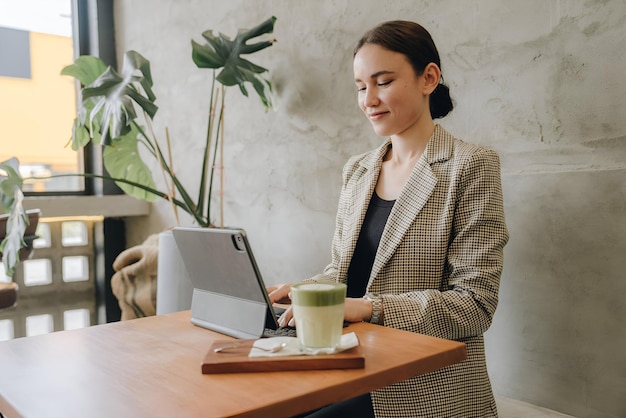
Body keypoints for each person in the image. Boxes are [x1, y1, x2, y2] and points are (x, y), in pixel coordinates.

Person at [268, 20, 509, 418]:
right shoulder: (358, 169)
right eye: (361, 87)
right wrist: (300, 290)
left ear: (429, 78)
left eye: (383, 82)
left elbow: (474, 304)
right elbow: (341, 273)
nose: (369, 99)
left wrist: (369, 308)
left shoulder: (470, 166)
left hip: (422, 388)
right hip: (347, 364)